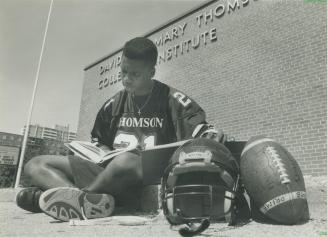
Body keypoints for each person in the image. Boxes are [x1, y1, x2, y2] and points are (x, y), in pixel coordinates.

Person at [16, 37, 222, 221]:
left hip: (142, 180)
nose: (126, 79)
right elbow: (98, 141)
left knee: (126, 160)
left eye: (135, 74)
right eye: (123, 71)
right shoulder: (113, 105)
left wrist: (211, 135)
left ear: (151, 72)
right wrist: (101, 151)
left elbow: (202, 133)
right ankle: (85, 200)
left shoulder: (172, 99)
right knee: (35, 164)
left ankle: (76, 200)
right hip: (106, 175)